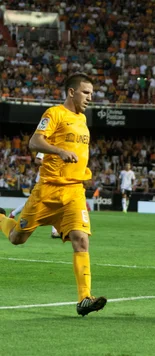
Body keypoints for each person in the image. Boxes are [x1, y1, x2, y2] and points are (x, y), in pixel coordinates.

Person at [0, 72, 107, 317]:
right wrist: (58, 151)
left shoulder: (82, 120)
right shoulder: (54, 113)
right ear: (72, 92)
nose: (90, 97)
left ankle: (84, 299)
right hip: (48, 191)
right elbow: (34, 142)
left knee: (81, 240)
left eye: (92, 93)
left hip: (74, 191)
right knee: (17, 238)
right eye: (86, 92)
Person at [9, 152, 61, 239]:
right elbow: (38, 160)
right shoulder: (46, 147)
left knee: (52, 204)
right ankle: (54, 231)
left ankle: (54, 231)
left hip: (52, 180)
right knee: (38, 203)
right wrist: (52, 165)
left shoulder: (58, 148)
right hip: (43, 180)